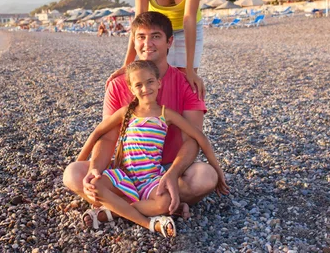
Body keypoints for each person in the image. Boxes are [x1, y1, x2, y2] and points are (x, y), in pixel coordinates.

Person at [63, 12, 220, 228]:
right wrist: (95, 170)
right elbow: (107, 138)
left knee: (205, 177)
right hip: (126, 168)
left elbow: (192, 139)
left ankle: (115, 208)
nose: (148, 43)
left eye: (155, 36)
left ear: (169, 42)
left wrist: (173, 174)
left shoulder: (187, 83)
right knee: (73, 174)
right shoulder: (118, 84)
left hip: (166, 169)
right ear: (134, 41)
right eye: (141, 37)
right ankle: (163, 206)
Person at [76, 60, 228, 237]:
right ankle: (149, 223)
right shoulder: (127, 112)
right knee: (95, 185)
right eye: (138, 85)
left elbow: (200, 138)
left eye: (149, 82)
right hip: (124, 175)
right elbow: (98, 132)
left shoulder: (166, 114)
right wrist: (82, 161)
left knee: (164, 203)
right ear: (132, 89)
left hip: (151, 178)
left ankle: (116, 211)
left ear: (159, 83)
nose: (145, 88)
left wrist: (218, 171)